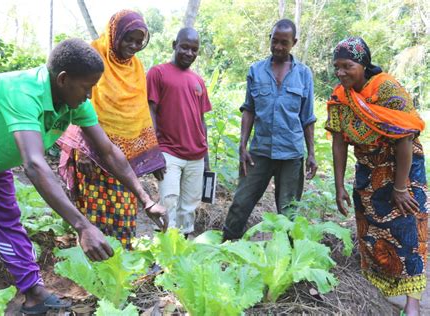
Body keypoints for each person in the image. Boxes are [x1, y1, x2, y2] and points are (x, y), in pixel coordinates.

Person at [0, 38, 167, 315]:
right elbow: (33, 164)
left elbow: (108, 152)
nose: (90, 95)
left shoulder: (74, 103)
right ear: (64, 79)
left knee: (8, 223)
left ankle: (34, 294)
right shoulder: (22, 92)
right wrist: (82, 226)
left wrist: (145, 199)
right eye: (87, 86)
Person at [326, 37, 427, 316]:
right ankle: (381, 291)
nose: (341, 72)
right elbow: (338, 142)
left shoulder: (387, 90)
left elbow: (405, 139)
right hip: (368, 169)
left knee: (407, 228)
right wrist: (339, 186)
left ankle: (413, 302)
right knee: (371, 230)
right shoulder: (340, 97)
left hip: (402, 168)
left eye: (347, 66)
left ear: (363, 64)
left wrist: (400, 187)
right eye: (337, 66)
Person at [58, 10, 165, 250]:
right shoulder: (94, 54)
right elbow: (77, 102)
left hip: (122, 157)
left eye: (140, 41)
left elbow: (138, 113)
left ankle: (120, 267)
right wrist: (84, 150)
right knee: (95, 213)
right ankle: (93, 268)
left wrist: (151, 155)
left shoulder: (136, 67)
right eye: (129, 39)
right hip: (91, 150)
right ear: (115, 33)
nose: (134, 46)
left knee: (125, 213)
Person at [222, 19, 317, 241]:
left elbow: (308, 117)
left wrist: (311, 153)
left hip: (291, 154)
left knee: (288, 212)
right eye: (275, 41)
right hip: (259, 151)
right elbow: (249, 110)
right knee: (241, 203)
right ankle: (226, 247)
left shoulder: (304, 74)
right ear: (270, 39)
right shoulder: (256, 70)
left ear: (294, 42)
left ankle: (288, 260)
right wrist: (242, 145)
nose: (278, 47)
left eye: (284, 43)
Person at [146, 27, 212, 238]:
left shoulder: (198, 81)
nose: (189, 53)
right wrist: (153, 153)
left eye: (194, 49)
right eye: (185, 47)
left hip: (196, 156)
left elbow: (201, 121)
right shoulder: (158, 73)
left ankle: (183, 253)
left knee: (189, 207)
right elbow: (151, 113)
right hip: (168, 152)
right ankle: (164, 255)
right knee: (169, 203)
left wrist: (207, 158)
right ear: (175, 45)